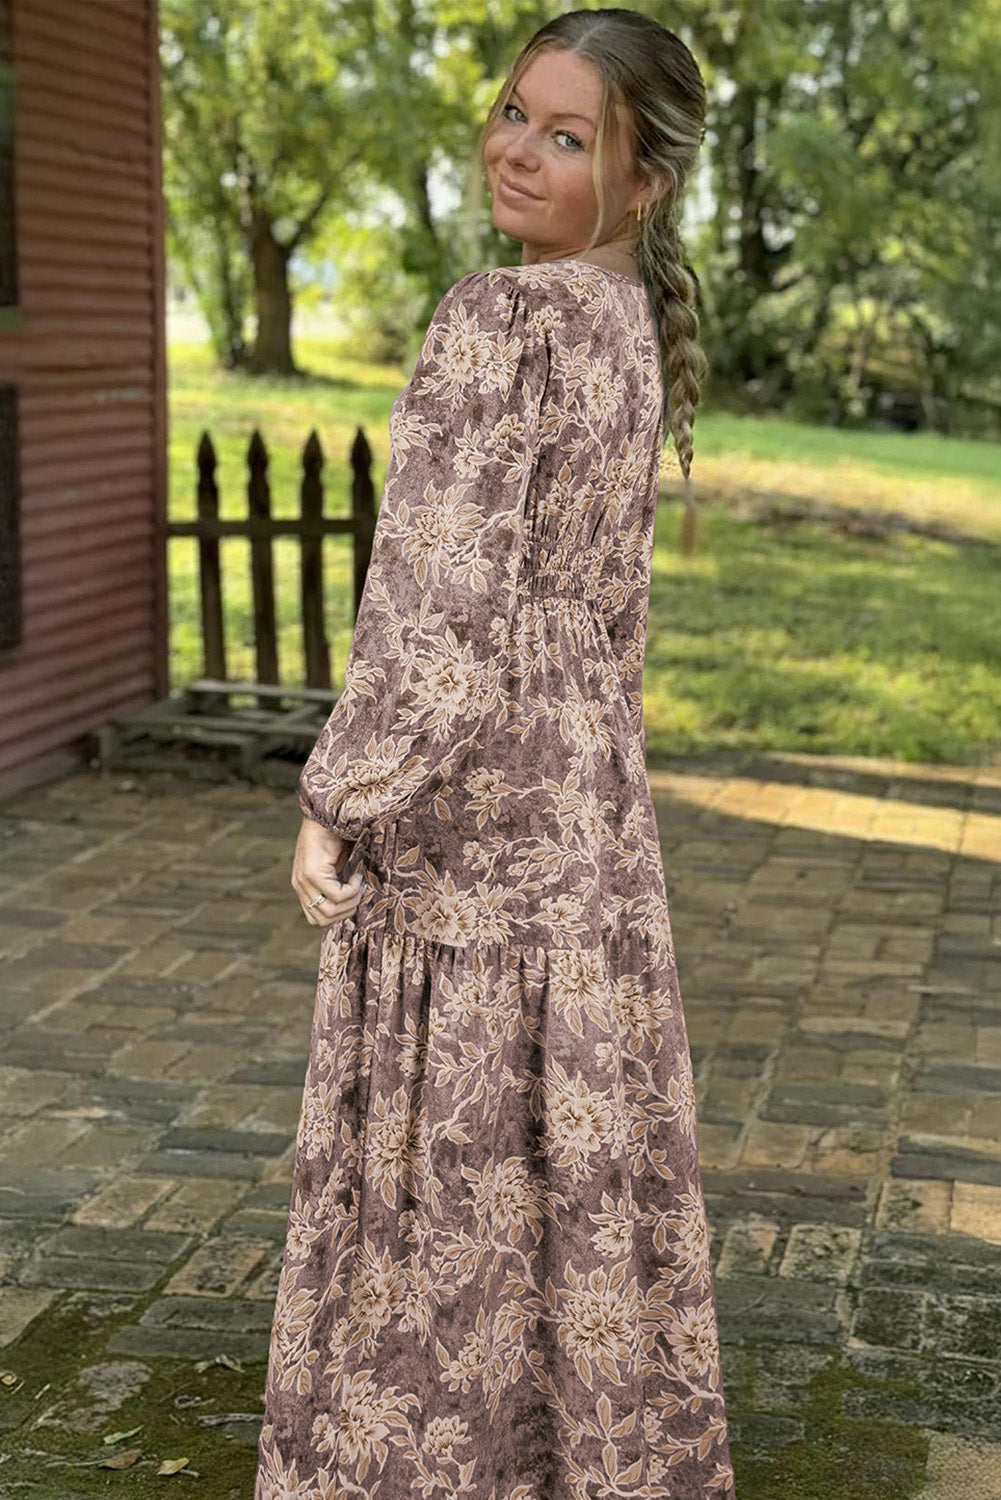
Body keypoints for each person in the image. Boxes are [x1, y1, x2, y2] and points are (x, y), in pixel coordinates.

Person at [255, 9, 735, 1498]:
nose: (515, 150)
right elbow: (606, 618)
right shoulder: (627, 326)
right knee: (552, 1130)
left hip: (467, 807)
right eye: (514, 112)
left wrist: (342, 793)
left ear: (643, 180)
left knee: (452, 1146)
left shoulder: (501, 316)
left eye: (567, 135)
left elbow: (437, 606)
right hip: (585, 801)